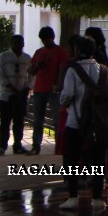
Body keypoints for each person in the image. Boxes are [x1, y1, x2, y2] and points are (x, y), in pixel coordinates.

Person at [58, 36, 108, 211]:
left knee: (73, 159)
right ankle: (97, 198)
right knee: (98, 160)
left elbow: (67, 95)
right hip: (99, 122)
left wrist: (64, 100)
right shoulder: (104, 70)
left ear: (78, 50)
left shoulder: (73, 70)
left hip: (76, 122)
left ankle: (73, 197)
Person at [28, 26, 70, 156]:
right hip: (39, 88)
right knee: (37, 119)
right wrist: (37, 66)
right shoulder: (39, 52)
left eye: (47, 39)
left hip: (53, 90)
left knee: (57, 120)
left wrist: (59, 85)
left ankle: (59, 146)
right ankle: (36, 146)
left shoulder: (60, 51)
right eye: (43, 40)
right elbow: (31, 71)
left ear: (52, 38)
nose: (45, 42)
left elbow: (63, 69)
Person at [0, 35, 32, 156]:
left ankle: (17, 145)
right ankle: (2, 146)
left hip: (21, 95)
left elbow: (32, 75)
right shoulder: (3, 57)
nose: (18, 45)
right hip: (6, 95)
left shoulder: (27, 58)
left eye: (20, 43)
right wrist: (12, 88)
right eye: (15, 43)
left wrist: (27, 88)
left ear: (23, 44)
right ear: (11, 44)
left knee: (19, 122)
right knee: (5, 121)